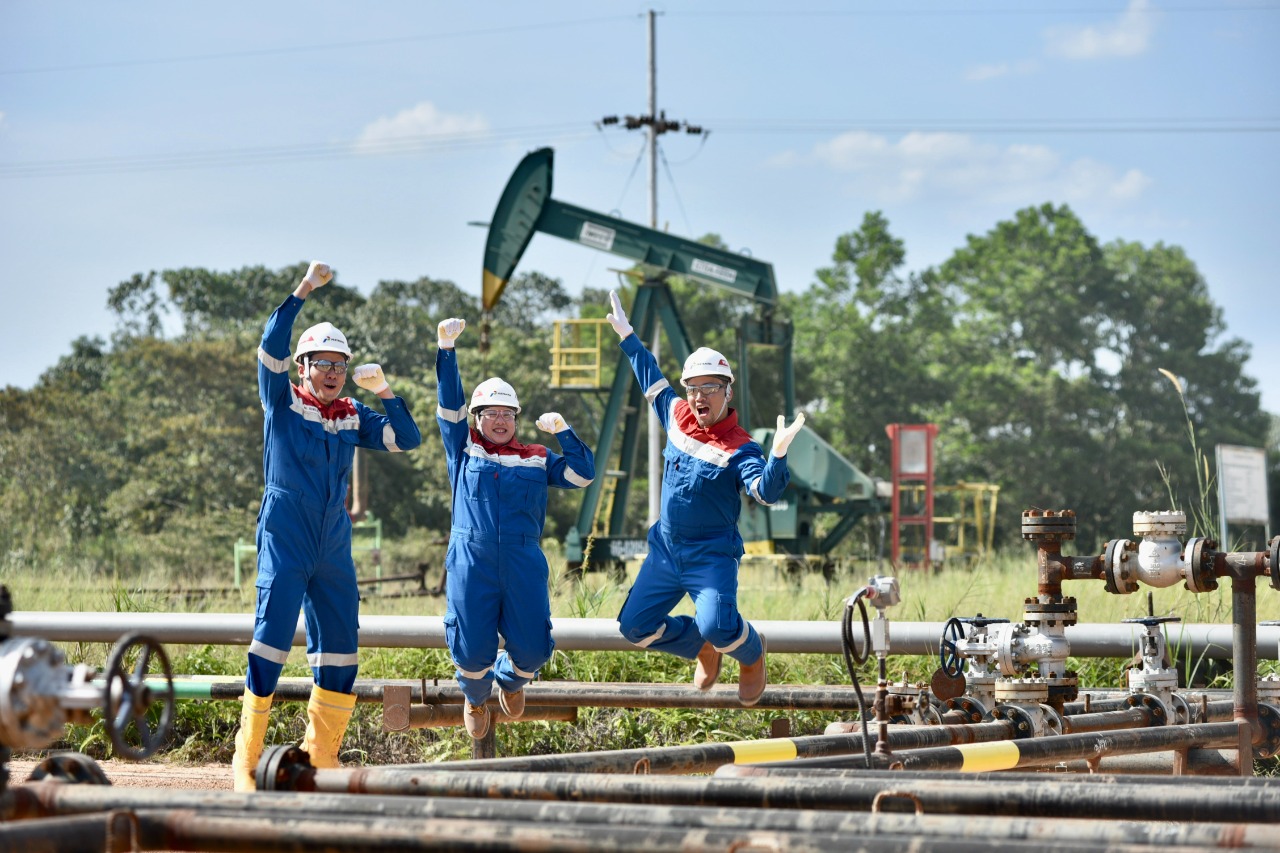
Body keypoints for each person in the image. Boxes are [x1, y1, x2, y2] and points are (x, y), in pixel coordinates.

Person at [231, 261, 422, 791]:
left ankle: (320, 761)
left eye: (341, 363)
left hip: (333, 540)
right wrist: (303, 291)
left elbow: (407, 440)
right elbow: (268, 346)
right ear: (303, 367)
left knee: (340, 648)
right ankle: (247, 759)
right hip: (285, 531)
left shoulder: (352, 414)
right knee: (270, 642)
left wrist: (386, 392)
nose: (335, 371)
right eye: (324, 363)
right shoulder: (283, 400)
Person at [604, 291, 805, 706]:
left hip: (711, 554)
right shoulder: (676, 417)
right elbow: (651, 377)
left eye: (710, 388)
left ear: (727, 393)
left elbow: (765, 492)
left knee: (718, 623)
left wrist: (779, 455)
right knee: (634, 627)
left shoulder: (741, 447)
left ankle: (751, 655)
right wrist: (628, 337)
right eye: (693, 388)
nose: (699, 396)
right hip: (666, 549)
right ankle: (700, 645)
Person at [434, 317, 595, 739]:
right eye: (491, 414)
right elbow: (448, 406)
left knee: (534, 648)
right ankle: (474, 695)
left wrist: (565, 433)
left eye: (508, 413)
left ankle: (510, 681)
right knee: (470, 650)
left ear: (518, 418)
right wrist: (446, 351)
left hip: (523, 557)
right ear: (477, 417)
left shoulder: (537, 457)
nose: (500, 420)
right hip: (472, 557)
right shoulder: (463, 448)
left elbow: (583, 475)